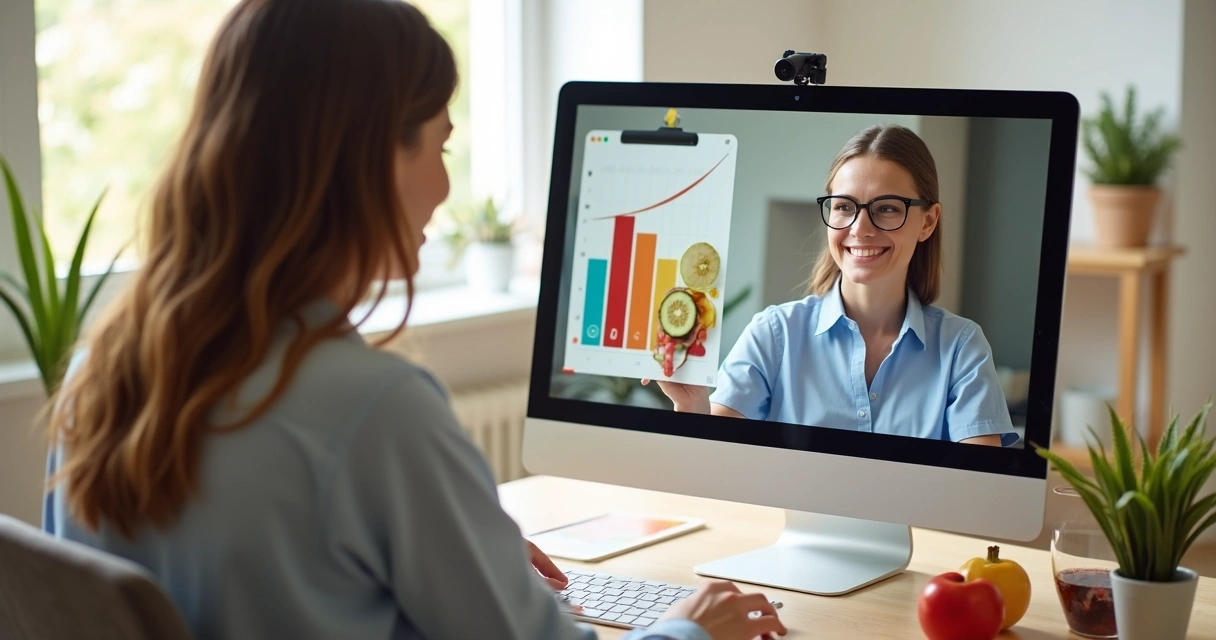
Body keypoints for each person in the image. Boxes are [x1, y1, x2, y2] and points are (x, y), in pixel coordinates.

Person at [39, 2, 786, 639]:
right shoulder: (372, 408)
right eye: (441, 145)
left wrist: (459, 551)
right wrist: (689, 627)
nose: (442, 185)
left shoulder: (101, 376)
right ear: (367, 160)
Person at [648, 125, 1017, 446]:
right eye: (843, 207)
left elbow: (977, 493)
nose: (860, 228)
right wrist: (692, 406)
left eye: (886, 208)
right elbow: (717, 466)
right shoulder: (774, 334)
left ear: (927, 222)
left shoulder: (962, 349)